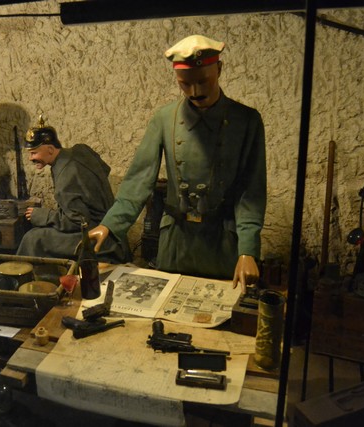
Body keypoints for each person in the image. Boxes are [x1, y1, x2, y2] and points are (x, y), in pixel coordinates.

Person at [90, 35, 266, 290]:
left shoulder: (246, 121)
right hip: (176, 241)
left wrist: (247, 250)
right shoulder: (164, 118)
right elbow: (139, 181)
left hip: (223, 243)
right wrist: (110, 224)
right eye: (185, 84)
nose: (195, 92)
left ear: (219, 68)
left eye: (203, 81)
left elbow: (251, 192)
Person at [16, 116, 130, 263]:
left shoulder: (65, 178)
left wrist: (44, 215)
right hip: (111, 225)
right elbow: (105, 169)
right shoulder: (81, 150)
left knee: (33, 239)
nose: (31, 158)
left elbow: (78, 222)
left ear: (50, 149)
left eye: (34, 153)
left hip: (99, 235)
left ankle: (31, 282)